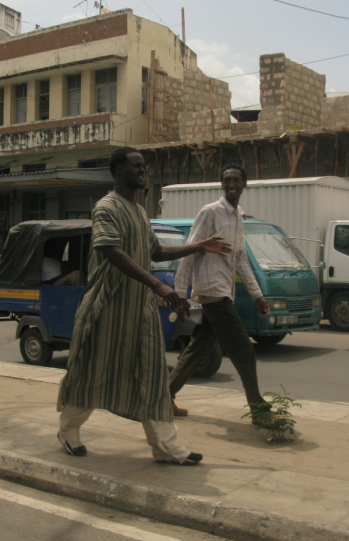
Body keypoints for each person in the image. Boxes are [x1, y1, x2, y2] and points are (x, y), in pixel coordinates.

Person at [57, 147, 232, 465]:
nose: (143, 171)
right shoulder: (106, 207)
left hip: (140, 309)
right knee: (92, 372)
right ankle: (68, 431)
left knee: (152, 375)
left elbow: (156, 252)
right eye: (136, 166)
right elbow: (110, 249)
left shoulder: (139, 212)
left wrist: (200, 246)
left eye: (144, 166)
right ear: (119, 171)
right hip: (107, 308)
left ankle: (166, 446)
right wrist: (158, 284)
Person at [169, 163, 273, 424]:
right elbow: (190, 250)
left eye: (236, 180)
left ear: (244, 184)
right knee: (244, 352)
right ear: (221, 184)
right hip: (211, 290)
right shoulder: (210, 212)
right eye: (226, 180)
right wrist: (181, 294)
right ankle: (259, 411)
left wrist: (257, 295)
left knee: (197, 349)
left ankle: (162, 398)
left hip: (225, 291)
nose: (231, 184)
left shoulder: (238, 216)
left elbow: (240, 260)